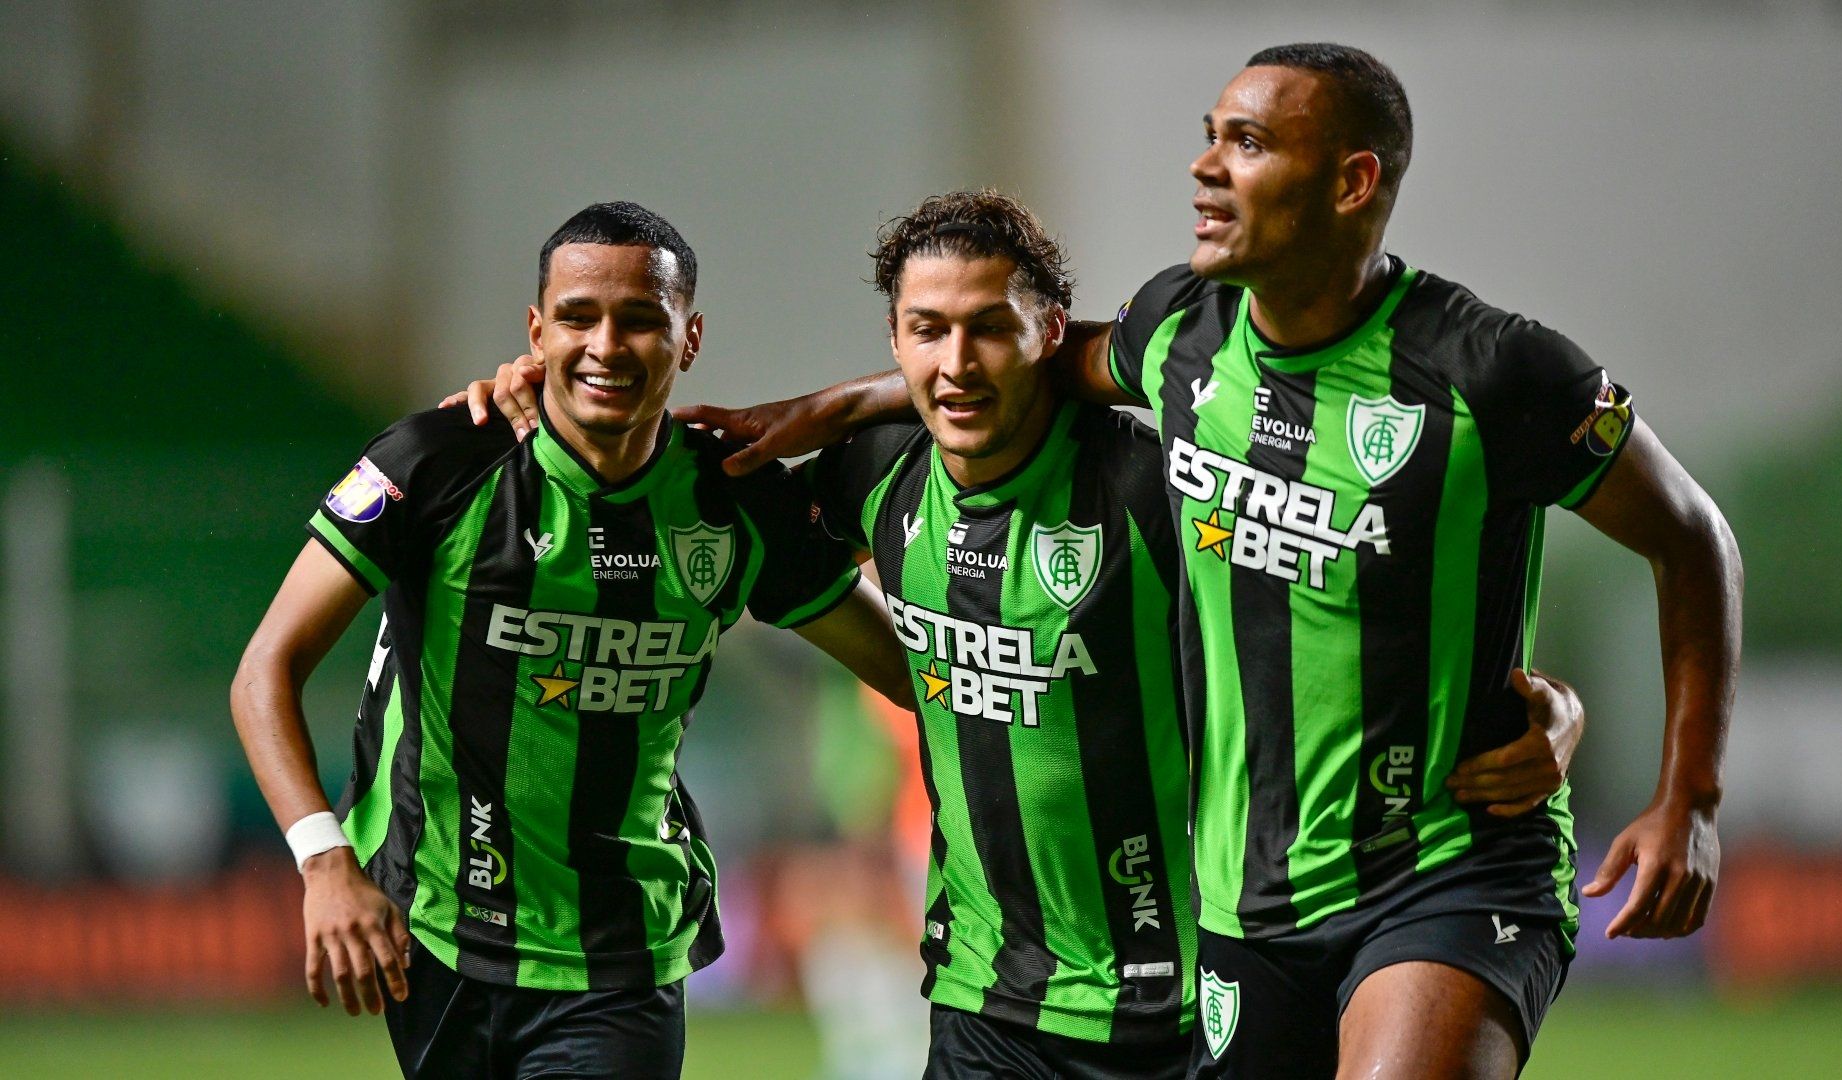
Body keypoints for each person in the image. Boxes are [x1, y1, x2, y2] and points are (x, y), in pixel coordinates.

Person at [516, 46, 1741, 1079]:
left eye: (1250, 144)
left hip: (1431, 866)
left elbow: (1690, 537)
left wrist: (1670, 786)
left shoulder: (1487, 373)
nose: (1207, 166)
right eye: (1211, 138)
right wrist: (808, 408)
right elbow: (1002, 374)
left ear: (1354, 181)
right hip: (1231, 911)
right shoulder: (1179, 336)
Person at [231, 201, 912, 1079]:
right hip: (438, 932)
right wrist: (324, 862)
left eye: (640, 319)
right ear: (536, 329)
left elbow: (908, 670)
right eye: (578, 317)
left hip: (620, 958)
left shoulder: (734, 503)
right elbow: (265, 670)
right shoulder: (441, 464)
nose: (605, 345)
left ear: (689, 336)